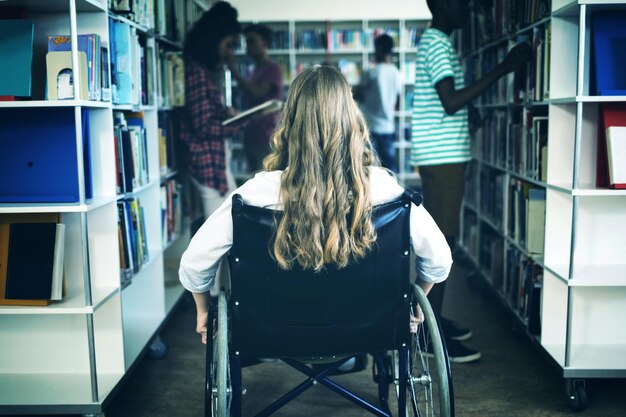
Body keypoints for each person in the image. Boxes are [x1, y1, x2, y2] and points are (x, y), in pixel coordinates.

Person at [179, 66, 453, 349]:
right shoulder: (387, 189)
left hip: (275, 331)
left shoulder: (254, 193)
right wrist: (416, 300)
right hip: (368, 328)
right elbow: (439, 260)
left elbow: (194, 264)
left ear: (291, 122)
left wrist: (202, 310)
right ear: (351, 119)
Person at [411, 0, 531, 362]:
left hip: (443, 156)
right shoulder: (436, 43)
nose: (469, 9)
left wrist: (471, 113)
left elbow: (446, 100)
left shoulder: (438, 43)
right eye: (462, 2)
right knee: (441, 244)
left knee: (442, 240)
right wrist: (505, 67)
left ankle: (434, 321)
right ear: (444, 5)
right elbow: (449, 101)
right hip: (442, 159)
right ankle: (429, 335)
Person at [181, 1, 247, 218]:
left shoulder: (205, 72)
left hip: (215, 160)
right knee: (220, 228)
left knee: (227, 221)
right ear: (214, 39)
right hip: (208, 163)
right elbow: (203, 127)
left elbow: (207, 114)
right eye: (228, 45)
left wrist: (226, 113)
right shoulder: (197, 73)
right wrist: (237, 124)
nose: (228, 53)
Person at [228, 24, 284, 173]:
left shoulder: (273, 68)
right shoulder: (254, 70)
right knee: (254, 178)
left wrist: (233, 70)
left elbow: (257, 93)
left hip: (266, 135)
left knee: (265, 178)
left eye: (252, 41)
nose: (248, 46)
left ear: (264, 43)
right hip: (251, 133)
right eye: (246, 42)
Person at [356, 33, 402, 172]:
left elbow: (357, 95)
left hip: (371, 128)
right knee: (389, 171)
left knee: (370, 170)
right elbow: (398, 103)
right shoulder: (397, 74)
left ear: (380, 49)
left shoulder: (371, 73)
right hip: (388, 128)